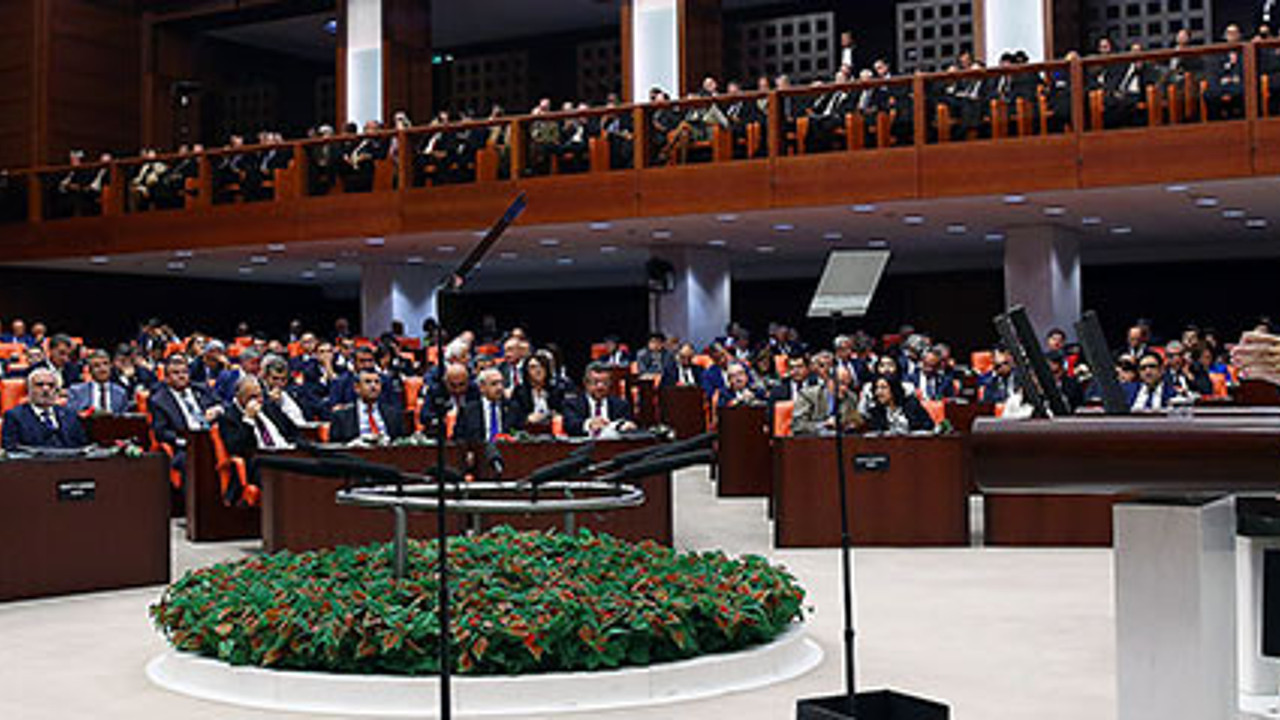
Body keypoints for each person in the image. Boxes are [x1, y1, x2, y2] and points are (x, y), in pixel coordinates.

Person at [1, 369, 89, 450]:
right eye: (39, 385)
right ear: (29, 390)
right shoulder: (14, 416)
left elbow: (82, 446)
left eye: (51, 385)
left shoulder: (70, 415)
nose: (46, 389)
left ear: (57, 391)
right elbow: (11, 449)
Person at [329, 369, 408, 443]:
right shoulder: (341, 417)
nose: (373, 386)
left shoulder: (394, 414)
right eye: (368, 382)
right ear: (357, 388)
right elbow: (335, 448)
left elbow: (402, 442)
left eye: (377, 382)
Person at [564, 363, 637, 437]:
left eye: (605, 382)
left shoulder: (621, 405)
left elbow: (627, 425)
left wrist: (625, 426)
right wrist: (589, 424)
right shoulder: (573, 404)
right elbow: (571, 426)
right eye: (596, 382)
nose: (600, 387)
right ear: (586, 383)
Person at [454, 368, 522, 442]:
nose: (499, 388)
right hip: (478, 451)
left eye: (501, 383)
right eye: (494, 384)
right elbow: (459, 439)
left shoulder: (512, 408)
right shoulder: (467, 410)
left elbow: (520, 434)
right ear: (482, 388)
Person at [792, 365, 863, 435]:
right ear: (829, 382)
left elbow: (856, 421)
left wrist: (852, 424)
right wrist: (824, 425)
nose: (844, 389)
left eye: (847, 385)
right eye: (841, 383)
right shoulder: (808, 395)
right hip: (814, 441)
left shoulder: (851, 397)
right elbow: (798, 425)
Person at [511, 352, 565, 429]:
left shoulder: (557, 389)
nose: (538, 370)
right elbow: (513, 419)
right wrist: (527, 419)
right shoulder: (520, 392)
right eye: (533, 367)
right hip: (528, 433)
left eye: (542, 366)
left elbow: (565, 413)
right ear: (527, 371)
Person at [864, 376, 935, 434]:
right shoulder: (876, 411)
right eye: (876, 388)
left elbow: (928, 426)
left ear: (894, 389)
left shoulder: (912, 405)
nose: (878, 392)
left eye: (883, 388)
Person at [68, 350, 130, 414]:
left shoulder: (121, 393)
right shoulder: (77, 392)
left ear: (111, 366)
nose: (102, 369)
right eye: (97, 365)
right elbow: (71, 418)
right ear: (90, 370)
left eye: (105, 364)